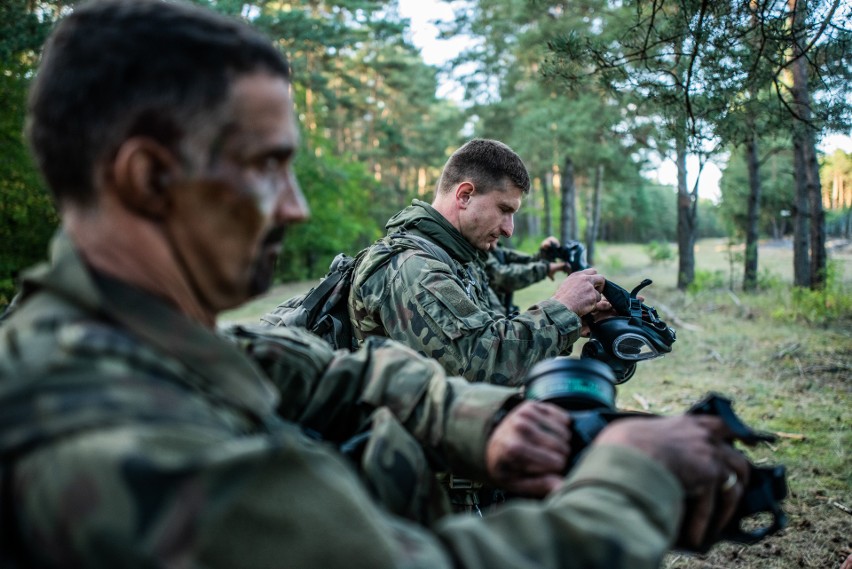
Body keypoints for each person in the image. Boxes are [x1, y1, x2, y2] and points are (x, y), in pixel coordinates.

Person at [0, 1, 753, 567]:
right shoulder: (122, 446)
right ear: (150, 178)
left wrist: (479, 422)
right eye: (267, 167)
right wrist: (634, 480)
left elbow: (309, 369)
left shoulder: (120, 341)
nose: (295, 206)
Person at [344, 139, 608, 385]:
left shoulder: (458, 258)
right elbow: (478, 366)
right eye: (505, 210)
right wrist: (561, 309)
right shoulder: (413, 267)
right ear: (464, 195)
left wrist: (573, 319)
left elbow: (492, 332)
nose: (509, 230)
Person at [487, 236, 570, 315]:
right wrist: (546, 268)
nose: (507, 231)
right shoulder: (479, 252)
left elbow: (525, 261)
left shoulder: (494, 249)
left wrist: (545, 252)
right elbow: (503, 278)